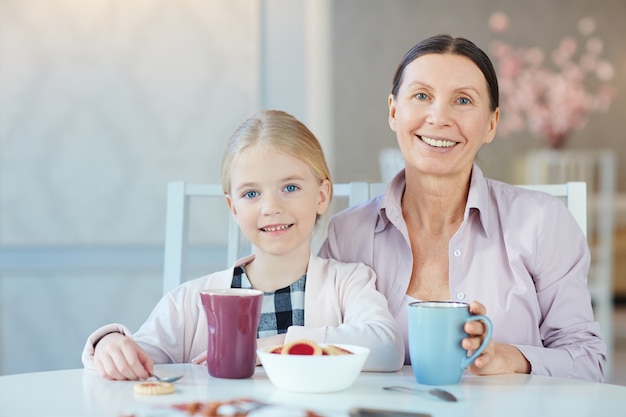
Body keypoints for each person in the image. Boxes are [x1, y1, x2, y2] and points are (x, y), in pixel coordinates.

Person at [318, 34, 606, 382]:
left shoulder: (542, 222)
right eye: (421, 95)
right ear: (394, 111)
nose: (439, 117)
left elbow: (589, 362)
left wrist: (508, 357)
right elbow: (318, 355)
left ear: (491, 124)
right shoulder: (346, 235)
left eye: (463, 100)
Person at [81, 109, 404, 380]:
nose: (270, 207)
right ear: (233, 207)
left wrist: (274, 347)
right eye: (251, 194)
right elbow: (137, 355)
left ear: (321, 196)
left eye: (290, 187)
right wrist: (110, 342)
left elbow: (387, 348)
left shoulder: (348, 283)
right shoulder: (190, 301)